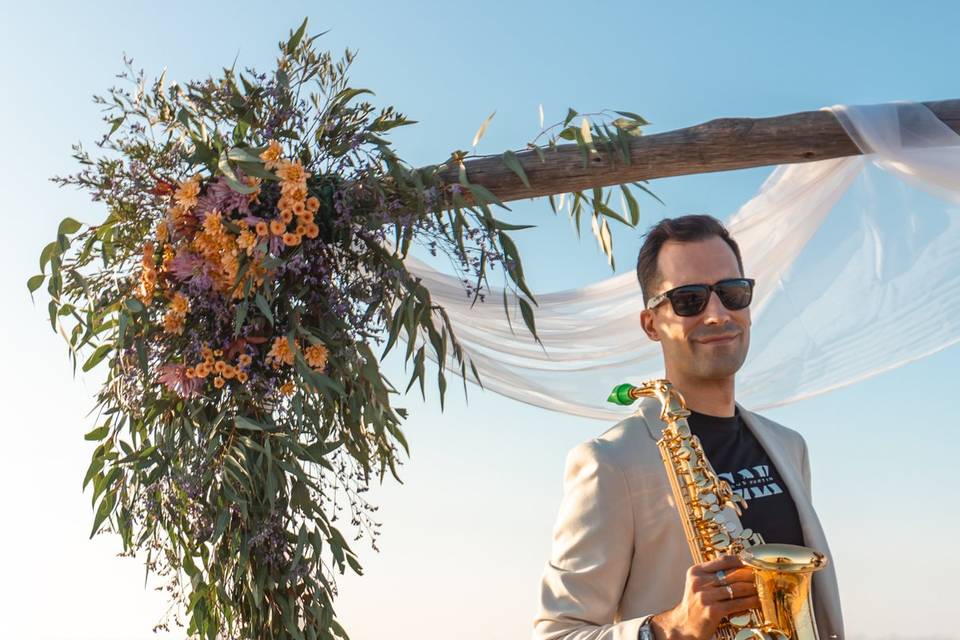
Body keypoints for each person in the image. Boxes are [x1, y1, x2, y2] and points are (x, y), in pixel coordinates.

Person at [532, 215, 843, 640]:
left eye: (732, 293)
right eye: (689, 300)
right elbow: (557, 633)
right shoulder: (609, 462)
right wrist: (669, 627)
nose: (717, 315)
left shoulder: (790, 447)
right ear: (650, 324)